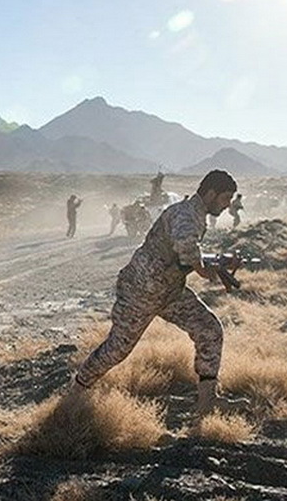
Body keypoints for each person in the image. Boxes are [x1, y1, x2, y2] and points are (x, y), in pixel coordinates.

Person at [73, 170, 247, 418]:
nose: (228, 204)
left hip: (169, 292)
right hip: (140, 291)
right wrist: (207, 269)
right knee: (117, 349)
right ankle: (77, 389)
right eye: (224, 198)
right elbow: (186, 248)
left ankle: (207, 402)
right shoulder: (186, 214)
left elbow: (183, 252)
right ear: (210, 193)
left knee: (209, 330)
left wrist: (218, 260)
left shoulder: (195, 214)